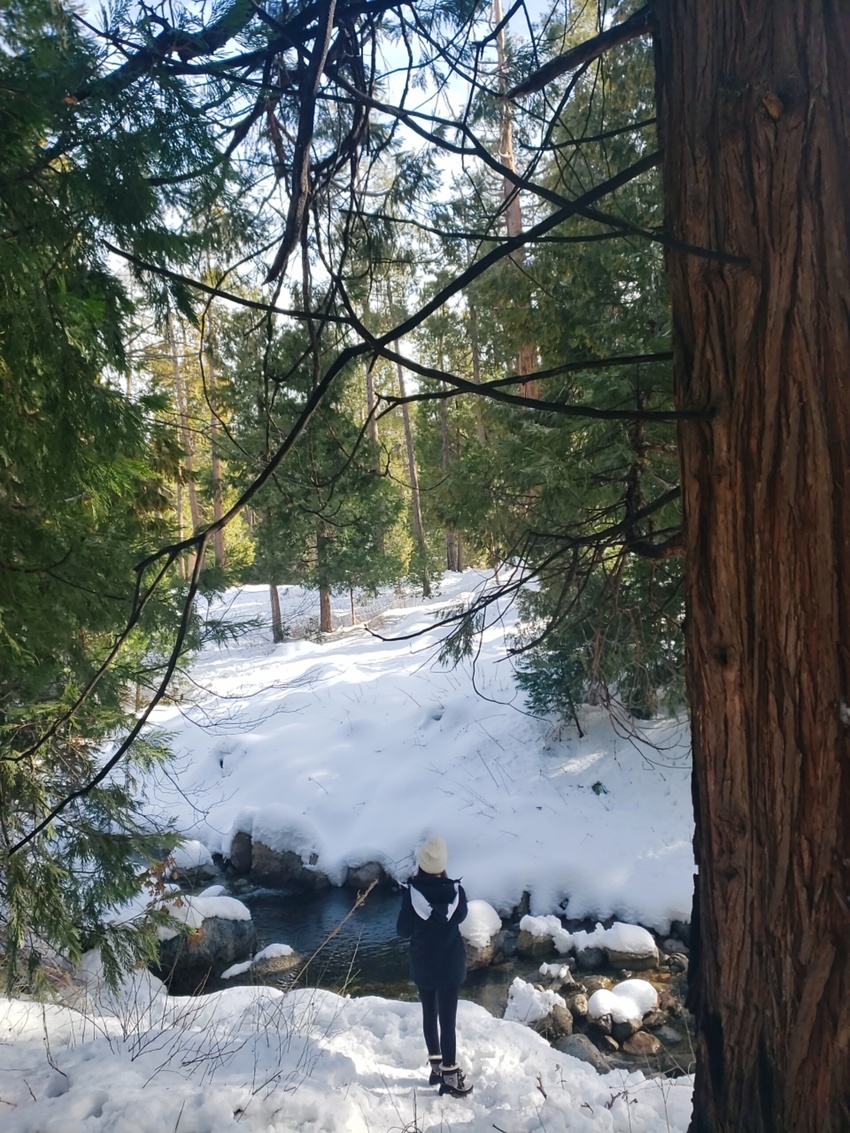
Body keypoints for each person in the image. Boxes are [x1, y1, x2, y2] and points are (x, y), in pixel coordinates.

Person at [396, 836, 473, 1098]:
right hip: (450, 965)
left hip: (424, 965)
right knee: (448, 1020)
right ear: (443, 865)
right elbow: (461, 915)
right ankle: (451, 1076)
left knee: (430, 1015)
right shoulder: (455, 893)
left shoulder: (412, 895)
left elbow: (402, 930)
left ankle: (437, 1068)